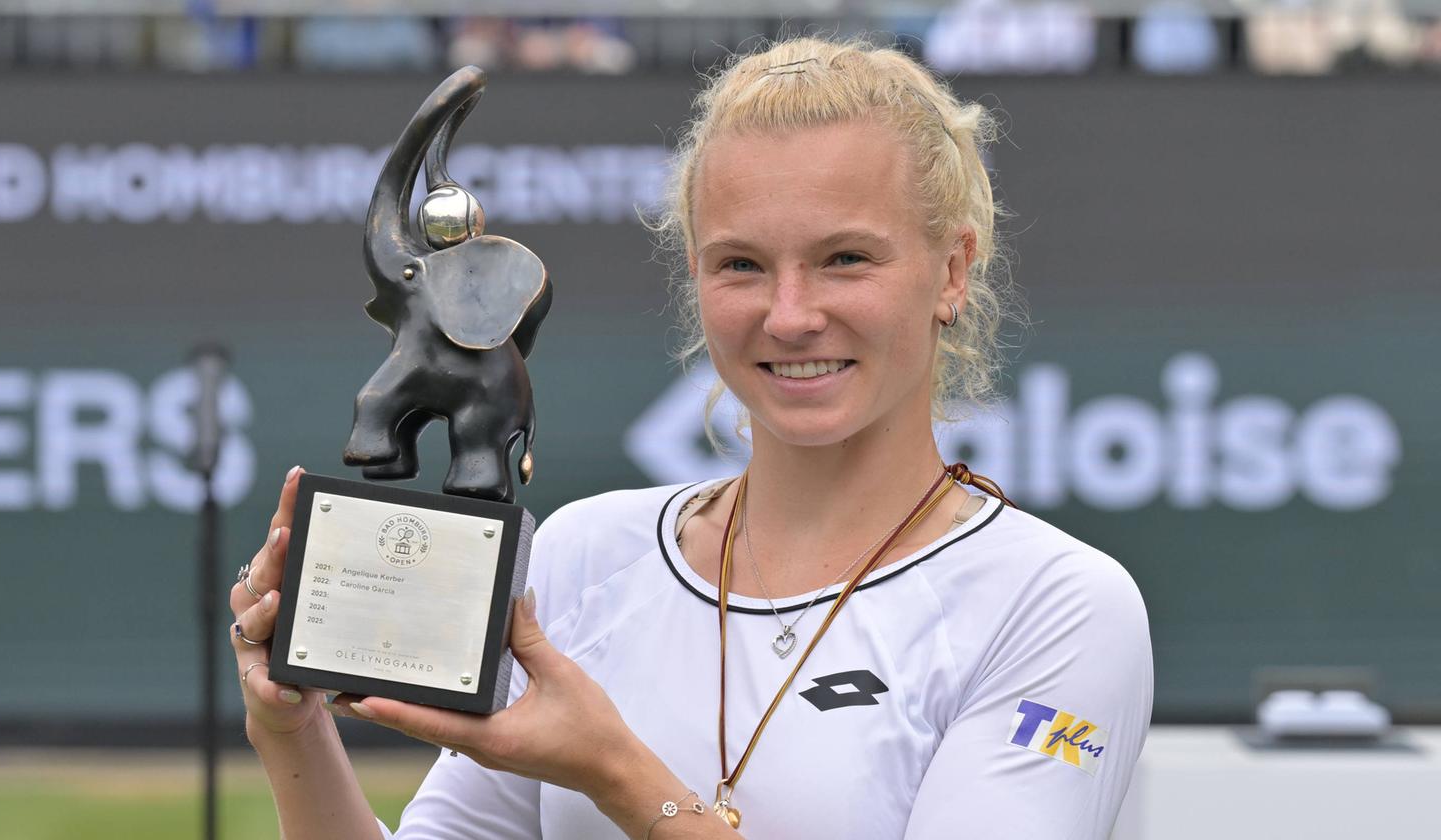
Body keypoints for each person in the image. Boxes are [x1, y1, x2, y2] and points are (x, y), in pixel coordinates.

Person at [227, 35, 1152, 839]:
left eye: (845, 260)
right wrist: (291, 729)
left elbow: (618, 778)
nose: (790, 316)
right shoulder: (587, 555)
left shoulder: (1055, 607)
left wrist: (620, 778)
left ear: (951, 271)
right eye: (742, 265)